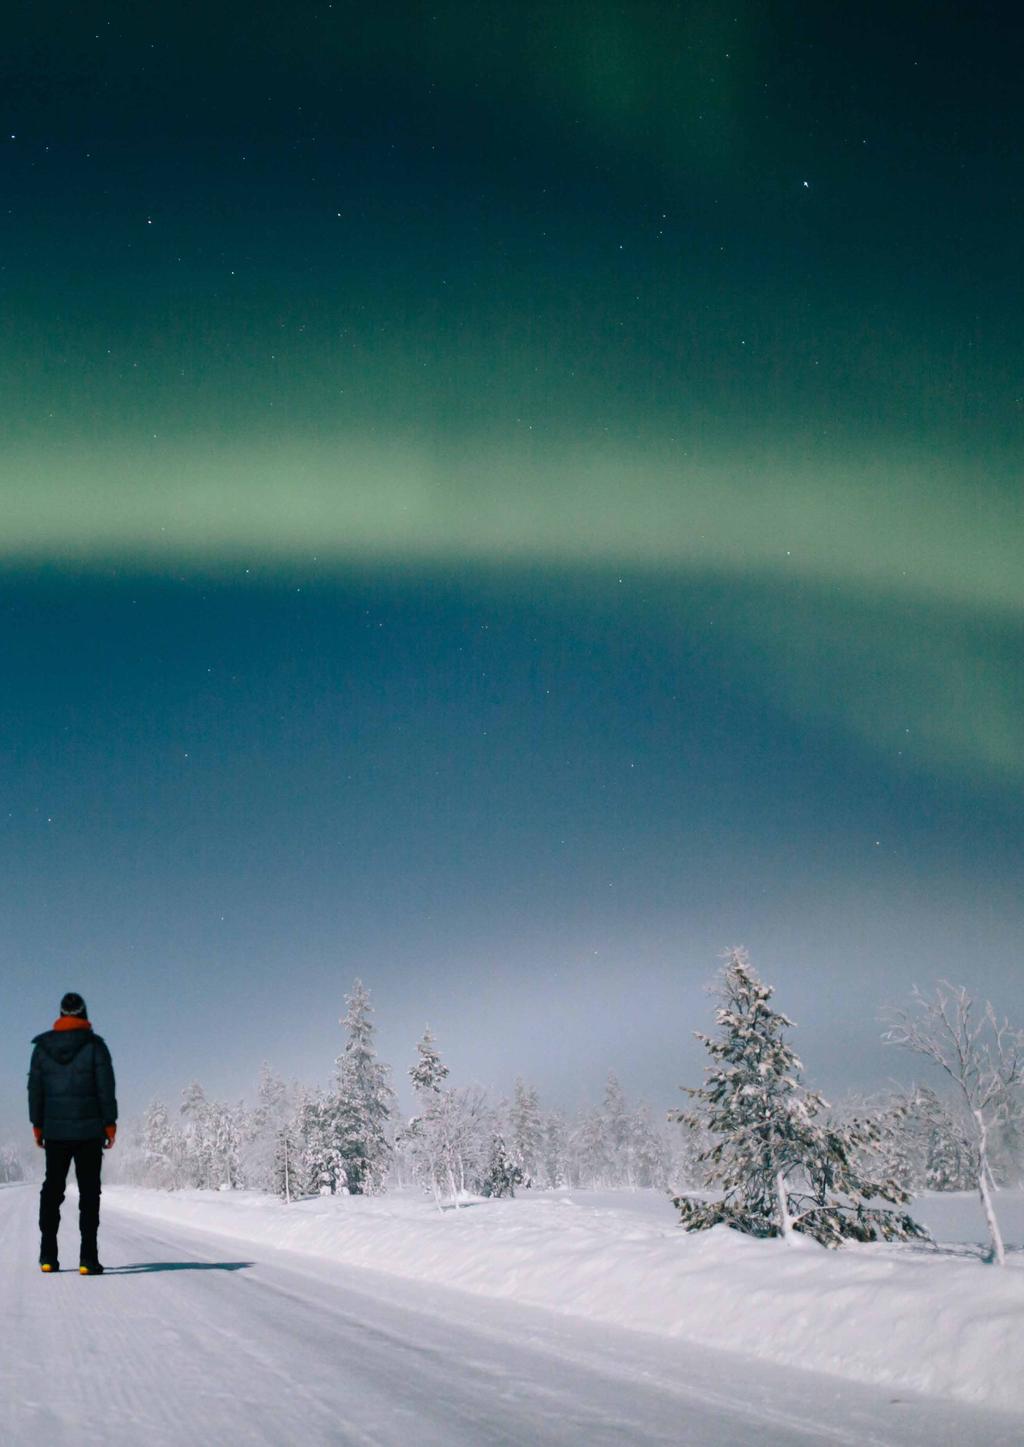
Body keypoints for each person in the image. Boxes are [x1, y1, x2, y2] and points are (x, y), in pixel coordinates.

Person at [28, 992, 118, 1274]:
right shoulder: (96, 1047)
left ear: (61, 1014)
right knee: (89, 1192)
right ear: (84, 1014)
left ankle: (47, 1256)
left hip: (55, 1132)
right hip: (90, 1131)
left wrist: (38, 1125)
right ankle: (88, 1259)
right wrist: (110, 1123)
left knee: (52, 1189)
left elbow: (35, 1090)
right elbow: (106, 1087)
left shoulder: (42, 1048)